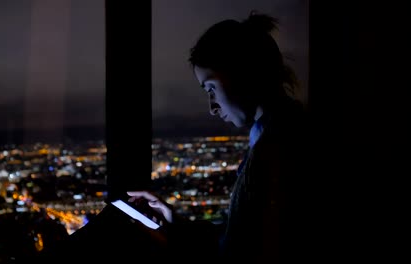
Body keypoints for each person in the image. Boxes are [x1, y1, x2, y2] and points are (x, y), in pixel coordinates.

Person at [127, 10, 313, 263]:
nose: (212, 107)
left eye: (211, 88)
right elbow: (235, 237)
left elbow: (244, 253)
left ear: (244, 73)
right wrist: (173, 220)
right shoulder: (276, 136)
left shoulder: (281, 150)